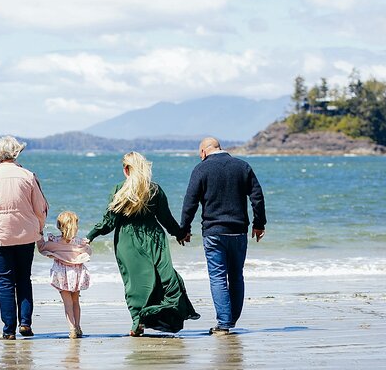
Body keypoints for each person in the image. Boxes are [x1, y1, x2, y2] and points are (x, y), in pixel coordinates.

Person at [87, 151, 199, 336]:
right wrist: (179, 233)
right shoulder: (154, 189)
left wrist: (90, 236)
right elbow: (166, 218)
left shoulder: (120, 190)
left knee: (134, 283)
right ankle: (147, 319)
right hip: (154, 238)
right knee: (164, 279)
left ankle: (137, 322)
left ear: (126, 169)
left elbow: (109, 222)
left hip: (127, 240)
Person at [179, 137, 266, 335]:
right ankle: (230, 320)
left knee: (218, 277)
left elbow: (190, 201)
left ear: (203, 152)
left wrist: (184, 229)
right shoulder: (242, 166)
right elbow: (257, 197)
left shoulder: (201, 169)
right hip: (239, 231)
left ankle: (224, 323)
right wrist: (259, 224)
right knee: (236, 276)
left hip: (214, 232)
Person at [0, 136, 48, 340]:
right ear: (17, 153)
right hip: (25, 234)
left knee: (4, 282)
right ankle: (25, 323)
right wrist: (38, 229)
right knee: (24, 279)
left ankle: (8, 329)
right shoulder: (28, 176)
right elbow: (41, 208)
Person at [37, 211, 92, 339]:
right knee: (76, 302)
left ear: (59, 226)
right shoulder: (79, 242)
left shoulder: (55, 241)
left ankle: (72, 328)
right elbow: (88, 251)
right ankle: (78, 326)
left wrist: (39, 236)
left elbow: (42, 248)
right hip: (77, 273)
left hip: (62, 274)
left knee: (67, 304)